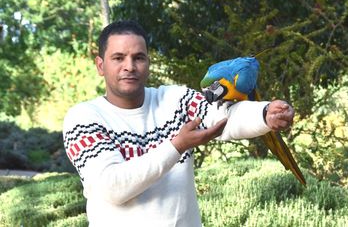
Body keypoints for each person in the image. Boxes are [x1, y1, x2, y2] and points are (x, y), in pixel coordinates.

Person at [63, 20, 294, 226]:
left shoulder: (175, 99)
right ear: (100, 65)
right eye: (118, 58)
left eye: (138, 57)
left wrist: (265, 114)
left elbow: (222, 117)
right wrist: (176, 146)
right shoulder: (83, 119)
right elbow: (113, 187)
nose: (129, 66)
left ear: (148, 63)